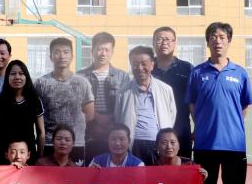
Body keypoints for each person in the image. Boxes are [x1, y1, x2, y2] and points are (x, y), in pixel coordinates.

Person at [186, 22, 252, 184]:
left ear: (229, 41)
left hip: (234, 146)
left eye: (222, 37)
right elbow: (192, 105)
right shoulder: (197, 72)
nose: (218, 41)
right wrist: (204, 124)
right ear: (208, 41)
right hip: (205, 145)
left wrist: (230, 126)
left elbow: (244, 107)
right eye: (213, 37)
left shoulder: (240, 73)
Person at [114, 46, 176, 165]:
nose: (139, 68)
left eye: (144, 63)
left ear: (152, 65)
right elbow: (119, 117)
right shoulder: (123, 92)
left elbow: (171, 115)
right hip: (134, 144)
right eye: (135, 64)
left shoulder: (166, 89)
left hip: (159, 144)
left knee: (158, 175)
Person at [35, 37, 94, 164]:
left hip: (75, 143)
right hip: (49, 143)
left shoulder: (82, 82)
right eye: (57, 52)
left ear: (72, 56)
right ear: (51, 57)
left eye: (66, 52)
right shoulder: (41, 83)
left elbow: (90, 114)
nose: (62, 56)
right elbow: (36, 115)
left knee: (75, 176)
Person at [78, 32, 129, 161]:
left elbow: (125, 105)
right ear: (92, 50)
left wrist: (109, 119)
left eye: (107, 50)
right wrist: (97, 117)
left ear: (112, 52)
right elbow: (78, 105)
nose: (103, 53)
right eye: (99, 49)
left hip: (114, 130)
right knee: (90, 165)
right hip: (89, 131)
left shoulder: (123, 76)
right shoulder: (80, 76)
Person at [0, 60, 45, 164]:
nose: (17, 77)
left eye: (21, 74)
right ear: (7, 77)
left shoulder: (34, 101)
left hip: (27, 156)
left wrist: (39, 158)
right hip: (2, 156)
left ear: (26, 77)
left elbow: (41, 132)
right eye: (13, 74)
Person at [152, 26, 195, 158]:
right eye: (159, 39)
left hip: (181, 130)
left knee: (182, 166)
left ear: (175, 43)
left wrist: (198, 128)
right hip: (153, 132)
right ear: (153, 43)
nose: (164, 43)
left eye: (168, 39)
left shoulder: (187, 69)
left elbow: (195, 101)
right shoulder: (148, 67)